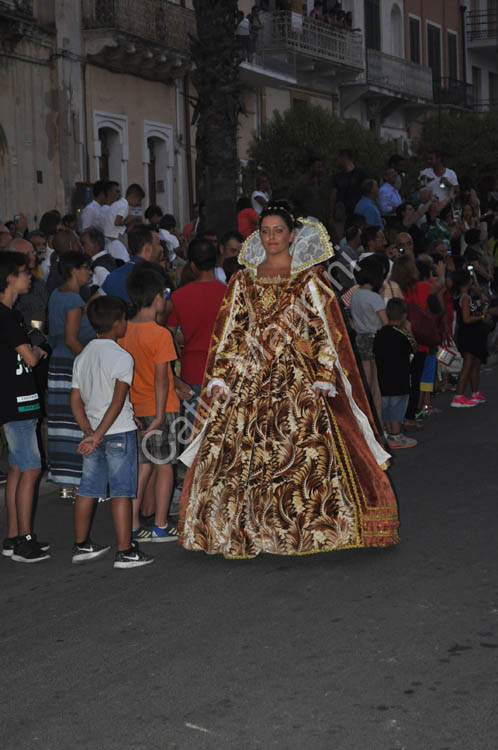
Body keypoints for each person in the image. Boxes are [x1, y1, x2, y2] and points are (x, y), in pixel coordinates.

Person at [178, 202, 399, 558]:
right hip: (249, 375)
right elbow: (232, 329)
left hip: (297, 377)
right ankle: (245, 526)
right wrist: (221, 374)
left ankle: (305, 526)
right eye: (265, 231)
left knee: (302, 454)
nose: (271, 238)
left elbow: (325, 331)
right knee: (238, 457)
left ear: (292, 234)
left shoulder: (310, 280)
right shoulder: (243, 279)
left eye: (278, 231)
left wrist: (324, 374)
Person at [70, 296, 154, 569]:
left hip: (93, 431)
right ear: (118, 323)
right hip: (117, 432)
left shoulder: (83, 356)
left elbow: (76, 399)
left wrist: (90, 432)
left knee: (88, 489)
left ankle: (81, 545)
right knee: (122, 492)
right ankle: (125, 550)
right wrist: (100, 434)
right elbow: (118, 401)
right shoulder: (121, 356)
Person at [118, 266, 180, 542]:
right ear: (158, 297)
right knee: (165, 465)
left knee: (141, 467)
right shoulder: (161, 334)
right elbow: (162, 379)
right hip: (161, 409)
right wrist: (158, 415)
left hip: (133, 408)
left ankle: (133, 524)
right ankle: (160, 524)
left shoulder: (122, 331)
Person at [0, 251, 50, 563]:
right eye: (23, 271)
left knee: (19, 468)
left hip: (20, 399)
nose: (28, 275)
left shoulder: (12, 313)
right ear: (8, 278)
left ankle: (14, 535)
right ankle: (24, 540)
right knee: (31, 468)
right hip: (15, 402)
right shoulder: (5, 315)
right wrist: (37, 350)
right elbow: (29, 358)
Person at [47, 251, 95, 496]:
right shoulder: (73, 301)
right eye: (86, 268)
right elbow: (72, 339)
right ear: (74, 270)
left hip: (60, 362)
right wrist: (90, 366)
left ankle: (67, 483)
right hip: (72, 363)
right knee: (78, 420)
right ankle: (78, 482)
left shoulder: (58, 295)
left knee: (62, 423)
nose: (89, 272)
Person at [167, 238, 226, 429]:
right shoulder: (229, 293)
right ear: (216, 261)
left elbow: (168, 335)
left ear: (192, 265)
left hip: (191, 372)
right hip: (223, 369)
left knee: (194, 438)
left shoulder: (178, 296)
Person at [374, 298, 417, 449]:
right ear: (404, 316)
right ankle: (396, 435)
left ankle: (386, 434)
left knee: (386, 407)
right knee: (397, 408)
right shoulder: (403, 334)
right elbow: (413, 348)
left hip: (384, 378)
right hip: (401, 378)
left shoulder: (379, 334)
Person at [349, 259, 387, 422]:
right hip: (377, 339)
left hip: (361, 339)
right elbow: (385, 322)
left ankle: (366, 422)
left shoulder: (355, 294)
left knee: (365, 385)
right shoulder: (374, 297)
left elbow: (351, 320)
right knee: (377, 386)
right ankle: (378, 422)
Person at [451, 269, 489, 408]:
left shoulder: (464, 295)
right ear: (468, 282)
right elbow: (466, 319)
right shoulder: (465, 297)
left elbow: (478, 292)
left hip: (474, 334)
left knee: (475, 364)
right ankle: (458, 396)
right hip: (469, 334)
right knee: (468, 364)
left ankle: (474, 392)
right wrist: (482, 317)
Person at [101, 225, 162, 303]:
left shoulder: (113, 276)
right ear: (148, 249)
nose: (161, 248)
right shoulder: (153, 276)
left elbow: (90, 305)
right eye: (159, 244)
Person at [104, 183, 146, 263]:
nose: (138, 203)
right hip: (115, 235)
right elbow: (117, 222)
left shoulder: (119, 203)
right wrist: (131, 219)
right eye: (138, 200)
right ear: (133, 197)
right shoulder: (124, 206)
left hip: (109, 235)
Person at [329, 149, 367, 226]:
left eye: (338, 159)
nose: (337, 162)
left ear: (344, 158)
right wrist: (331, 215)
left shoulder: (360, 173)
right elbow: (333, 197)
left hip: (358, 215)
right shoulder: (337, 177)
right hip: (342, 216)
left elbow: (367, 192)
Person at [81, 226, 116, 292]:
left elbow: (108, 292)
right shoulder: (107, 258)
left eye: (84, 243)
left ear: (96, 244)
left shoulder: (99, 268)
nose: (82, 247)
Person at [291, 156, 324, 221]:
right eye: (318, 166)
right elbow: (295, 201)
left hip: (315, 218)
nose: (320, 169)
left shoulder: (315, 180)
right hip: (306, 219)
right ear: (311, 167)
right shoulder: (302, 182)